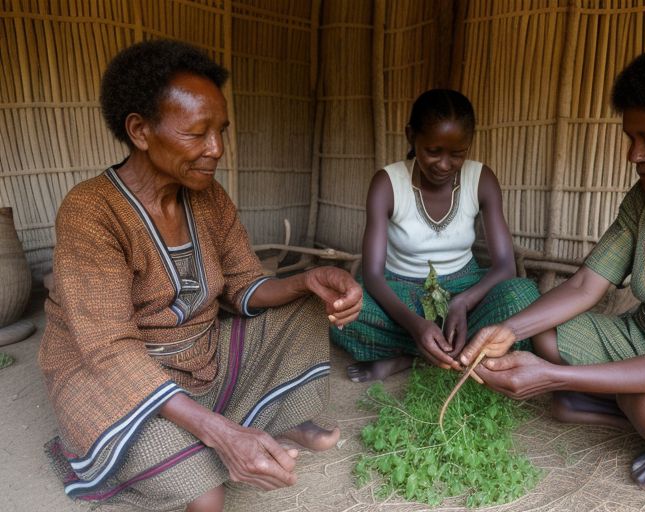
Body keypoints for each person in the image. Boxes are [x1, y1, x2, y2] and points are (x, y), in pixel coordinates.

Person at [37, 39, 362, 512]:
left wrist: (306, 281)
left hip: (198, 356)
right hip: (115, 379)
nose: (217, 149)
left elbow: (242, 283)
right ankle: (223, 427)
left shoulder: (207, 195)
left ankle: (260, 418)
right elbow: (108, 349)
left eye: (221, 130)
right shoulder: (91, 212)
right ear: (140, 130)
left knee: (303, 308)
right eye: (197, 133)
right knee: (206, 495)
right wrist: (219, 432)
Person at [460, 37, 645, 492]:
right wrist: (510, 333)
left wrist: (556, 378)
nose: (634, 155)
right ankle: (625, 399)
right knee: (543, 329)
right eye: (631, 138)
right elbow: (586, 284)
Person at [332, 89, 539, 382]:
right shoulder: (387, 183)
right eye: (433, 151)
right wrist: (416, 325)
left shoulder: (482, 180)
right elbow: (373, 275)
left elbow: (505, 266)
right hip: (403, 292)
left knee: (524, 297)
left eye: (457, 154)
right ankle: (446, 349)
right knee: (343, 309)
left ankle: (412, 353)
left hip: (466, 289)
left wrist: (463, 302)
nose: (444, 164)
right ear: (410, 136)